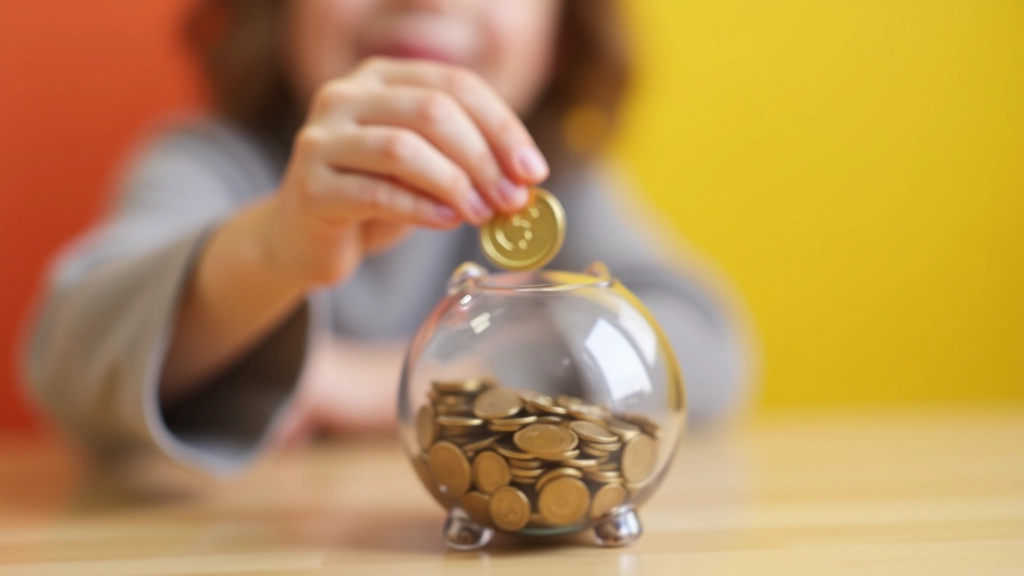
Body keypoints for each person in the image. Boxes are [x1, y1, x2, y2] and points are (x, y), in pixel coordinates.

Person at [24, 0, 748, 475]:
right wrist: (275, 247)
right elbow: (66, 363)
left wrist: (384, 385)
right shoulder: (212, 160)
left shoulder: (558, 181)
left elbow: (709, 342)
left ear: (563, 37)